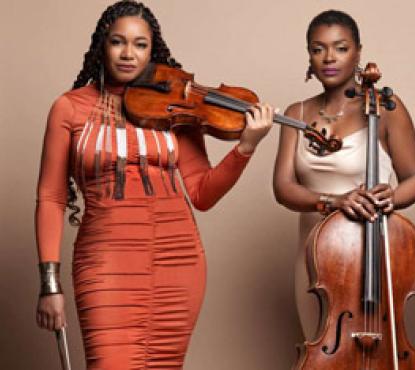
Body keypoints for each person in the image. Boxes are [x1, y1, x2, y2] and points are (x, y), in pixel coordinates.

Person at [35, 1, 273, 368]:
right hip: (106, 263)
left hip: (178, 261)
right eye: (118, 42)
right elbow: (51, 197)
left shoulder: (175, 107)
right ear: (103, 46)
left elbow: (203, 193)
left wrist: (246, 146)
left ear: (152, 50)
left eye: (140, 44)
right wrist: (49, 283)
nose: (129, 54)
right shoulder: (69, 108)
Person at [273, 9, 415, 341]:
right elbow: (283, 188)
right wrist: (334, 200)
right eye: (318, 48)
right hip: (313, 260)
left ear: (358, 51)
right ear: (309, 56)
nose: (329, 57)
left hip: (370, 252)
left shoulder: (385, 107)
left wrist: (392, 197)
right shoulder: (296, 113)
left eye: (340, 48)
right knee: (319, 350)